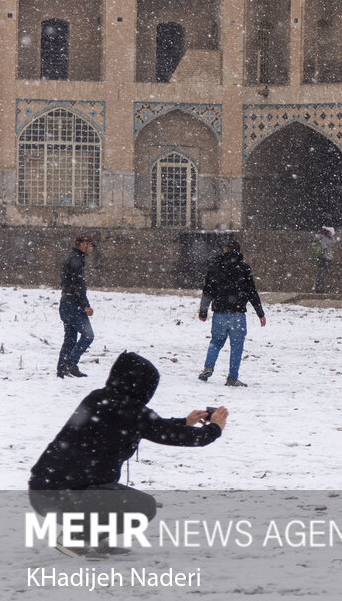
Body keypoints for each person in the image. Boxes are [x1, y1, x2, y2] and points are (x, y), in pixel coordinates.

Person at [29, 351, 228, 557]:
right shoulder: (130, 411)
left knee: (113, 494)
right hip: (62, 497)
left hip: (43, 490)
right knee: (144, 507)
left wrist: (184, 422)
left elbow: (150, 426)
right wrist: (214, 429)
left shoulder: (99, 398)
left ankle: (93, 537)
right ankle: (74, 537)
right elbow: (167, 433)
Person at [197, 239, 266, 387]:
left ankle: (208, 367)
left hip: (219, 313)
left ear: (225, 250)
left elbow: (207, 292)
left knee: (215, 342)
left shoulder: (215, 268)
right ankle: (232, 378)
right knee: (237, 347)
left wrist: (203, 311)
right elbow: (252, 292)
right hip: (238, 314)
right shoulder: (244, 268)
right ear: (239, 251)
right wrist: (260, 313)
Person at [57, 234, 95, 378]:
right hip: (73, 305)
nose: (91, 248)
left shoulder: (72, 257)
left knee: (70, 339)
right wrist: (85, 305)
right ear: (82, 244)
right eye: (90, 244)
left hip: (65, 303)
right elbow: (78, 284)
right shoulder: (76, 259)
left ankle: (61, 370)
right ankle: (71, 363)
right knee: (88, 335)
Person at [314, 227, 336, 294]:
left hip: (320, 257)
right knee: (322, 274)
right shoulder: (324, 238)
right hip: (325, 258)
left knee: (320, 273)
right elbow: (333, 242)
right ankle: (320, 289)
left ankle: (318, 288)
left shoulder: (320, 237)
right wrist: (332, 237)